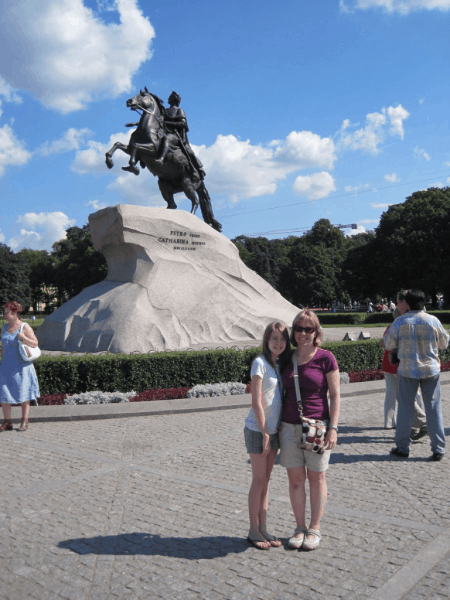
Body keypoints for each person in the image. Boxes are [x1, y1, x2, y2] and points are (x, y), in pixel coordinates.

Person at [279, 309, 340, 551]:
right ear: (293, 331)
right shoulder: (287, 357)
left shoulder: (325, 358)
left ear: (316, 332)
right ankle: (299, 527)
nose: (303, 333)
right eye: (299, 328)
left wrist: (333, 429)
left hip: (317, 426)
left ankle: (314, 528)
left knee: (316, 477)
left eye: (309, 329)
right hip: (289, 426)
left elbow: (335, 396)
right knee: (295, 480)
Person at [384, 289, 449, 461]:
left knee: (405, 409)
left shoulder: (400, 322)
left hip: (407, 370)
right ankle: (438, 449)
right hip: (430, 370)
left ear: (408, 303)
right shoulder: (433, 320)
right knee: (434, 409)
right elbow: (444, 343)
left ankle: (403, 447)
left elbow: (388, 343)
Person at [244, 322, 291, 550]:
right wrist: (263, 432)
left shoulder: (277, 364)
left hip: (273, 431)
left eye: (282, 339)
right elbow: (256, 401)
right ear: (266, 340)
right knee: (258, 480)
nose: (278, 343)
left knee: (266, 481)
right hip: (257, 430)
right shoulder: (259, 363)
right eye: (274, 338)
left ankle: (263, 527)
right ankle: (253, 530)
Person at [379, 305, 427, 437]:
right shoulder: (408, 326)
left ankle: (390, 422)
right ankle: (417, 422)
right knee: (411, 395)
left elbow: (383, 342)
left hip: (390, 364)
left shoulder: (392, 326)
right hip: (403, 364)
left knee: (392, 394)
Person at [0, 301, 40, 431]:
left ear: (15, 312)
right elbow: (2, 346)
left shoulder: (24, 327)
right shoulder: (4, 327)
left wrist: (23, 338)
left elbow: (35, 343)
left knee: (24, 393)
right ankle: (8, 422)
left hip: (22, 366)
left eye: (7, 312)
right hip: (6, 365)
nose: (5, 314)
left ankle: (24, 421)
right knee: (4, 393)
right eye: (4, 312)